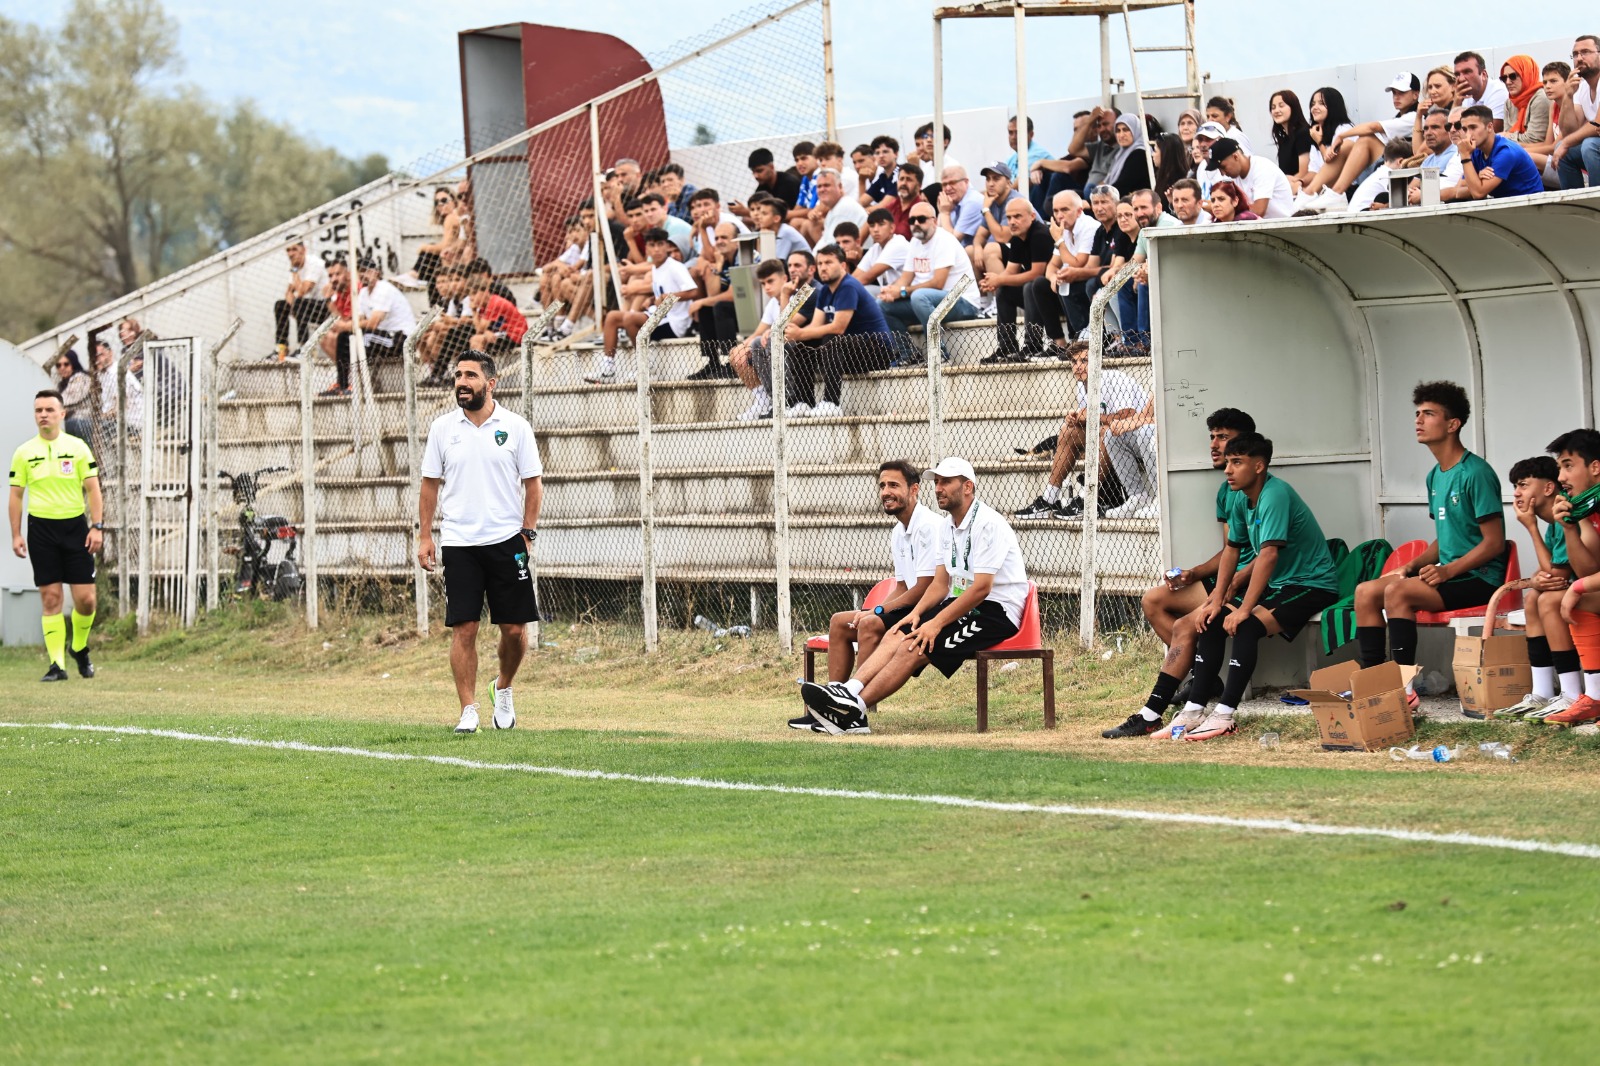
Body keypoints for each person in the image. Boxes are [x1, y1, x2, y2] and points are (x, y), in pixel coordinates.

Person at [1107, 434, 1338, 741]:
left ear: (1259, 466)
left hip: (1311, 584)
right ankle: (1192, 710)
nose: (1228, 469)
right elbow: (1232, 550)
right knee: (1211, 621)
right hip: (1281, 584)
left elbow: (1268, 555)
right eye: (1227, 462)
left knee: (1246, 626)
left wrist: (1243, 610)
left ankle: (1225, 714)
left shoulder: (1275, 494)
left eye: (1237, 462)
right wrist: (1216, 601)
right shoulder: (1241, 498)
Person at [800, 457, 1029, 736]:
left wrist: (933, 624)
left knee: (917, 645)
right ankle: (848, 692)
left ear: (967, 487)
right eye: (937, 482)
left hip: (995, 611)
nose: (939, 488)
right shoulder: (948, 526)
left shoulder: (989, 523)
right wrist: (916, 613)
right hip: (961, 603)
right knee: (899, 631)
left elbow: (981, 588)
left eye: (946, 482)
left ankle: (854, 710)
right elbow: (940, 584)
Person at [1353, 381, 1505, 705]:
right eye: (1417, 413)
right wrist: (1410, 566)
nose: (1418, 420)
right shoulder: (1436, 474)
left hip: (1480, 578)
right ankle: (1373, 686)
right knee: (1366, 591)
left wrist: (1447, 571)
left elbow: (1494, 544)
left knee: (1398, 592)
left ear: (1453, 424)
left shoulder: (1475, 473)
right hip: (1448, 575)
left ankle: (1405, 690)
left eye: (1429, 413)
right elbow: (1447, 536)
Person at [417, 351, 543, 734]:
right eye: (457, 375)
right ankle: (467, 709)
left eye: (470, 375)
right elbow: (429, 485)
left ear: (490, 383)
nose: (461, 381)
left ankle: (502, 688)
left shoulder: (516, 427)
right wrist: (425, 535)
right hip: (459, 541)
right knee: (464, 628)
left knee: (514, 631)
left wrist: (528, 531)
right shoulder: (442, 429)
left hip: (507, 540)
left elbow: (533, 484)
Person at [1121, 408, 1258, 734]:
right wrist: (1193, 574)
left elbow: (1264, 554)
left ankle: (1152, 713)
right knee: (1154, 599)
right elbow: (1230, 549)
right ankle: (1202, 676)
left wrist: (1227, 583)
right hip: (1230, 575)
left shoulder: (1258, 485)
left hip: (1249, 581)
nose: (1214, 444)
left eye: (1223, 437)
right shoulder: (1226, 489)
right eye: (1212, 437)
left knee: (1186, 625)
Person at [789, 459, 942, 732]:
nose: (886, 491)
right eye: (882, 485)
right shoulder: (899, 531)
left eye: (894, 485)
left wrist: (878, 612)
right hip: (911, 604)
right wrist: (874, 608)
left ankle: (853, 709)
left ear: (915, 490)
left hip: (931, 609)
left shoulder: (929, 525)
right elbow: (903, 586)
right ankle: (828, 709)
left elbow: (925, 587)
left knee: (870, 622)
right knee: (840, 621)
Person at [9, 391, 103, 682]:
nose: (43, 414)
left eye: (50, 409)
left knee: (86, 600)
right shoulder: (24, 452)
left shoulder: (77, 448)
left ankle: (78, 647)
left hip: (75, 529)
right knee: (51, 598)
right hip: (41, 531)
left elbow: (93, 489)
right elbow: (15, 495)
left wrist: (96, 527)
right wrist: (16, 534)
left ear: (62, 414)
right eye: (39, 410)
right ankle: (57, 665)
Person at [1011, 341, 1144, 520]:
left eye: (1084, 361)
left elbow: (1128, 417)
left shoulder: (1114, 379)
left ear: (1097, 361)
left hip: (1139, 440)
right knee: (1068, 430)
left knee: (1107, 430)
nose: (1078, 366)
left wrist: (1091, 416)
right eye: (1074, 362)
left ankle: (1085, 499)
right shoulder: (1082, 387)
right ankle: (1048, 499)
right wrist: (1077, 419)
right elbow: (1093, 422)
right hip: (1111, 441)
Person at [1494, 455, 1579, 722]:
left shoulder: (1565, 512)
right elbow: (1549, 571)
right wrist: (1537, 579)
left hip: (1587, 589)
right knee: (1532, 600)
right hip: (1578, 587)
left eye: (1523, 485)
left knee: (1546, 600)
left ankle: (1572, 693)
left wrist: (1530, 527)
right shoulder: (1553, 524)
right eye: (1516, 486)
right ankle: (1541, 691)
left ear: (1548, 488)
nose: (1517, 493)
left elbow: (1558, 574)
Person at [784, 244, 895, 417]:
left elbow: (838, 327)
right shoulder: (825, 291)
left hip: (877, 352)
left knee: (831, 338)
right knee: (802, 346)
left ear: (843, 266)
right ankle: (803, 401)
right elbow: (815, 325)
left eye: (828, 262)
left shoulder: (848, 286)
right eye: (820, 263)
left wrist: (800, 332)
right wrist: (798, 335)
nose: (823, 268)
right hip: (848, 351)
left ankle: (831, 402)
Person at [1542, 429, 1600, 726]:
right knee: (1578, 601)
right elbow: (1591, 569)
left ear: (1595, 467)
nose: (1561, 478)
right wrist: (1568, 527)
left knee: (1575, 595)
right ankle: (1593, 696)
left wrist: (1577, 586)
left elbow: (1585, 579)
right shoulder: (1591, 507)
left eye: (1567, 465)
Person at [588, 228, 697, 384]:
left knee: (630, 319)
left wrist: (670, 297)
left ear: (667, 246)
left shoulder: (675, 267)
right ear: (647, 249)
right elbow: (664, 290)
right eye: (652, 245)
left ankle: (646, 368)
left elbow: (693, 291)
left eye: (661, 244)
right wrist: (653, 299)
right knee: (612, 317)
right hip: (660, 315)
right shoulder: (656, 267)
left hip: (675, 321)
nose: (657, 249)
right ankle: (608, 369)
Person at [876, 204, 980, 344]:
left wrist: (902, 292)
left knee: (919, 297)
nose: (916, 224)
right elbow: (905, 278)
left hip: (963, 302)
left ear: (934, 221)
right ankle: (908, 355)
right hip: (929, 304)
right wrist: (890, 291)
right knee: (882, 304)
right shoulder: (915, 242)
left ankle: (938, 355)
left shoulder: (944, 239)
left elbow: (938, 283)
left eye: (921, 219)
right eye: (912, 220)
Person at [321, 259, 417, 398]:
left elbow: (372, 324)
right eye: (360, 271)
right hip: (381, 336)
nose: (363, 275)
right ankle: (342, 385)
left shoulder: (384, 289)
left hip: (399, 338)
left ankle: (360, 384)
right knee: (345, 337)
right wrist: (348, 326)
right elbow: (358, 320)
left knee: (362, 339)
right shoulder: (363, 292)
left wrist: (346, 326)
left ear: (376, 273)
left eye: (367, 271)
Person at [980, 196, 1053, 363]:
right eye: (1009, 217)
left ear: (1032, 216)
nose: (1012, 222)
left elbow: (1037, 274)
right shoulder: (1018, 236)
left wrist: (999, 280)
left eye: (1017, 216)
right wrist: (994, 281)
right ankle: (1007, 347)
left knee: (1030, 286)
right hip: (1037, 294)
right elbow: (1010, 271)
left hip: (1053, 296)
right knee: (1004, 290)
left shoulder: (1039, 234)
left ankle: (1032, 346)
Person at [1026, 189, 1101, 353]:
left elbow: (1079, 264)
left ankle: (1080, 338)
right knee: (1039, 284)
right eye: (1056, 211)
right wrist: (1053, 277)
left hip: (1088, 280)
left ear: (1079, 211)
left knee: (1067, 281)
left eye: (1065, 210)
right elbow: (1051, 266)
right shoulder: (1064, 230)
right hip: (1072, 281)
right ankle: (1058, 343)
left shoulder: (1089, 227)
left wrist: (1059, 240)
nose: (1060, 215)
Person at [728, 258, 790, 420]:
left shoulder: (794, 297)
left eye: (770, 281)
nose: (767, 287)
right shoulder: (771, 304)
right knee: (738, 352)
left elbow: (787, 328)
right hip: (769, 348)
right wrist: (743, 348)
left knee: (758, 345)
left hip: (791, 349)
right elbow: (758, 332)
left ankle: (780, 399)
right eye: (763, 284)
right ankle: (763, 400)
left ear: (784, 279)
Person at [1456, 104, 1545, 200]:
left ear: (1490, 127)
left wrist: (1465, 156)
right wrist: (1478, 178)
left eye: (1473, 127)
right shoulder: (1475, 151)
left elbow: (1478, 193)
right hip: (1508, 207)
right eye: (1465, 129)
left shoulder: (1506, 152)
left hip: (1532, 207)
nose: (1468, 134)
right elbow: (1459, 193)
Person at [270, 238, 329, 361]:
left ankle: (304, 348)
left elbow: (303, 290)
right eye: (288, 250)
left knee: (299, 303)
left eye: (294, 249)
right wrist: (291, 306)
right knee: (280, 305)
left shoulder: (313, 263)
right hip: (308, 306)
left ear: (304, 250)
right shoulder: (295, 267)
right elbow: (289, 292)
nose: (291, 254)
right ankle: (281, 349)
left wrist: (295, 271)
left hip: (327, 308)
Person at [1555, 35, 1600, 190]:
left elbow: (1598, 125)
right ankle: (1575, 207)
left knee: (1589, 145)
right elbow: (1569, 131)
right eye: (1575, 54)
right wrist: (1567, 96)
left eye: (1585, 52)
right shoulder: (1582, 86)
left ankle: (1596, 201)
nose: (1579, 58)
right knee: (1563, 150)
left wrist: (1567, 143)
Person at [853, 208, 909, 297]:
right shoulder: (875, 248)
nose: (875, 229)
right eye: (872, 226)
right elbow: (855, 276)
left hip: (906, 293)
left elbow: (867, 278)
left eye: (881, 224)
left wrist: (843, 289)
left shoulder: (898, 244)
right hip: (889, 292)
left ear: (892, 228)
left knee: (861, 292)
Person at [1502, 54, 1551, 153]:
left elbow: (1534, 139)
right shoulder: (1509, 102)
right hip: (1518, 152)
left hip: (1542, 155)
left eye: (1513, 76)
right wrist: (1506, 137)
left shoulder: (1541, 98)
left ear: (1526, 74)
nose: (1508, 82)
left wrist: (1507, 137)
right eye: (1504, 78)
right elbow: (1505, 137)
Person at [1269, 90, 1313, 189]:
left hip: (1302, 190)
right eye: (1273, 107)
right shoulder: (1284, 138)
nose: (1276, 110)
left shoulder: (1303, 133)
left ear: (1293, 107)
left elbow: (1304, 173)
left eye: (1281, 105)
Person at [1455, 51, 1508, 131]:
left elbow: (1491, 132)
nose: (1461, 79)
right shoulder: (1467, 97)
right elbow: (1452, 131)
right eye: (1457, 74)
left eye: (1467, 72)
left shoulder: (1498, 91)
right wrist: (1456, 103)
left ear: (1483, 74)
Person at [1103, 114, 1153, 196]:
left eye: (1125, 130)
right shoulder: (1121, 154)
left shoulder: (1140, 154)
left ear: (1136, 130)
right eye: (1118, 131)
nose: (1121, 135)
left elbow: (1123, 185)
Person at [52, 350, 93, 441]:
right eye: (58, 365)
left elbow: (67, 400)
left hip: (82, 420)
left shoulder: (80, 377)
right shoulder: (62, 383)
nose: (62, 368)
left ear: (73, 364)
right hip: (70, 419)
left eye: (66, 364)